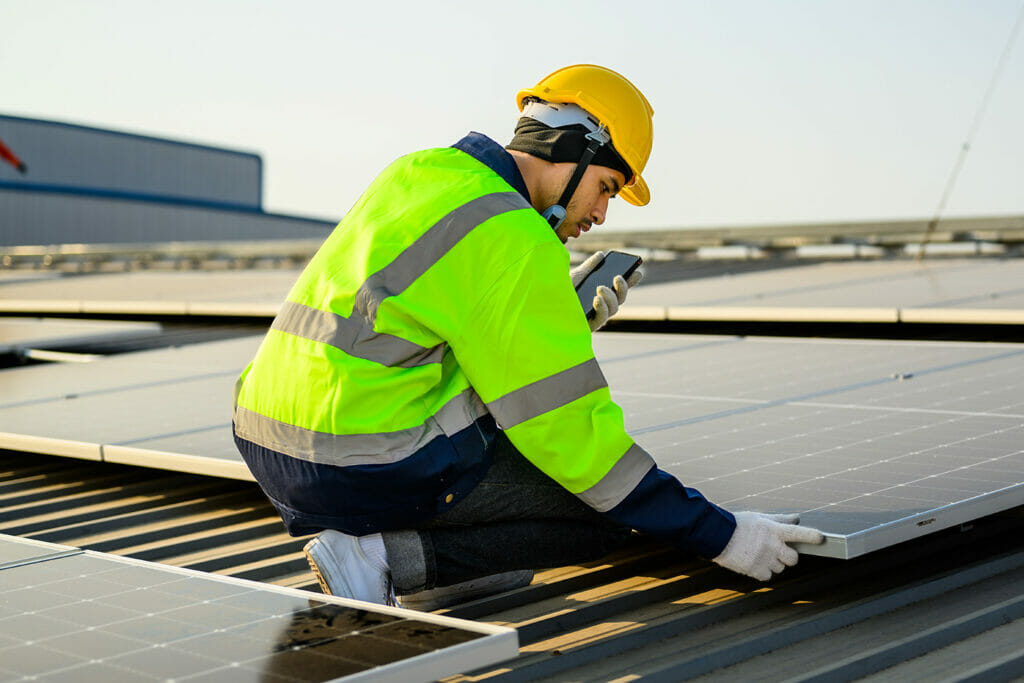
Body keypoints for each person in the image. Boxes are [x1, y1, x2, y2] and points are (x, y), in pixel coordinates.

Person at [232, 64, 823, 609]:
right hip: (356, 463)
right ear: (575, 146)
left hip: (267, 439)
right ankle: (380, 558)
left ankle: (420, 559)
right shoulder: (516, 239)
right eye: (608, 187)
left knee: (517, 529)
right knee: (605, 508)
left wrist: (553, 312)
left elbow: (429, 312)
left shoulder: (422, 171)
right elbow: (574, 439)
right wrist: (723, 535)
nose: (601, 215)